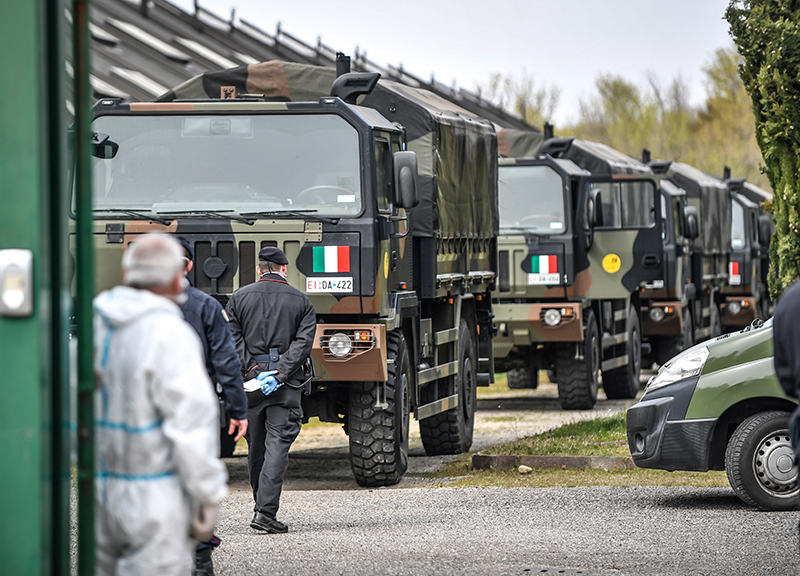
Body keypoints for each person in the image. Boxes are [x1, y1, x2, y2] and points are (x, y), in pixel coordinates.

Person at [93, 232, 228, 576]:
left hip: (101, 491)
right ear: (175, 277)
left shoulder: (98, 324)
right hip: (154, 494)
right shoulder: (169, 334)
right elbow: (190, 424)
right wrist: (207, 495)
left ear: (126, 275)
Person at [225, 246, 316, 533]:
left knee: (256, 446)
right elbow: (303, 344)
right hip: (286, 385)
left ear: (258, 269)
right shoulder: (302, 301)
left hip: (250, 385)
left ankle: (261, 507)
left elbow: (231, 338)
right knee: (277, 446)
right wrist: (279, 372)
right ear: (284, 269)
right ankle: (264, 512)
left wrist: (253, 370)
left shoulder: (238, 298)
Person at [175, 236, 248, 576]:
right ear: (189, 265)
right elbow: (226, 361)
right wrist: (237, 410)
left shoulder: (122, 307)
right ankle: (200, 559)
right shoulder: (204, 305)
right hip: (192, 410)